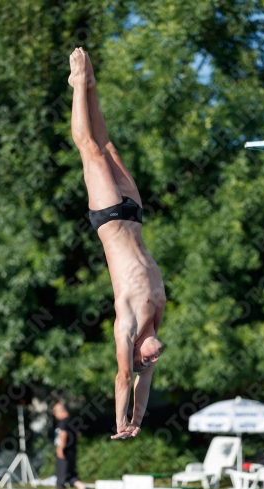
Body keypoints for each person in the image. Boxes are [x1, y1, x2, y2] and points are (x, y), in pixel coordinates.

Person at [69, 47, 166, 440]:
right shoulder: (156, 323)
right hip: (134, 213)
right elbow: (144, 385)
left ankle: (77, 85)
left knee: (89, 149)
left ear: (138, 354)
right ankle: (91, 84)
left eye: (149, 359)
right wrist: (140, 419)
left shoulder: (126, 327)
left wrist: (122, 422)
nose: (156, 357)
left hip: (109, 218)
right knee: (108, 145)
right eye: (154, 359)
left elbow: (127, 379)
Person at [53, 402, 88, 489]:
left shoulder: (63, 421)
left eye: (55, 412)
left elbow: (63, 434)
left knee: (60, 474)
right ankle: (82, 487)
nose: (54, 414)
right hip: (72, 451)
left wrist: (60, 449)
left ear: (61, 410)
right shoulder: (73, 420)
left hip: (64, 452)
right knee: (70, 474)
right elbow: (78, 435)